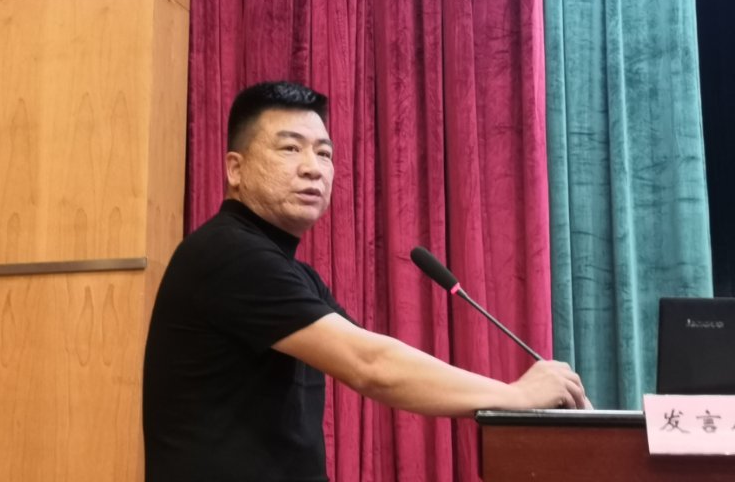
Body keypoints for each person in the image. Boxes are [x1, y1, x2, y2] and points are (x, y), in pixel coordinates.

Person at [142, 81, 587, 482]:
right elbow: (370, 365)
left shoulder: (291, 272)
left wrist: (517, 399)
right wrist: (516, 395)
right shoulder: (229, 254)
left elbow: (372, 354)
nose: (313, 168)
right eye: (290, 148)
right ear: (235, 169)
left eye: (324, 153)